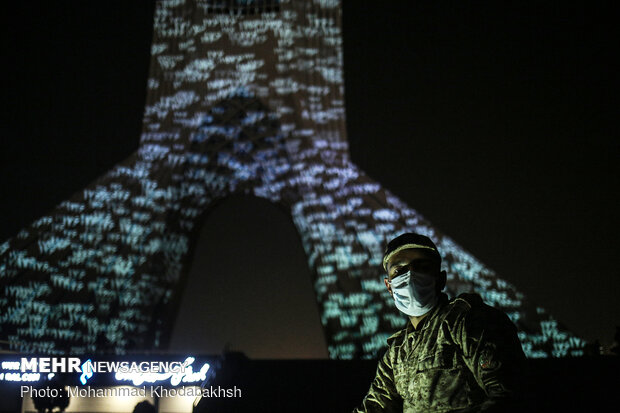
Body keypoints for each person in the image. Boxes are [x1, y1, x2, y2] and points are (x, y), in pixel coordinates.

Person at [353, 233, 526, 413]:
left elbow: (509, 396)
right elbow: (375, 407)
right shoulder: (397, 353)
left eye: (422, 267)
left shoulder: (469, 321)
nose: (411, 275)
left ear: (441, 279)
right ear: (389, 286)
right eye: (399, 271)